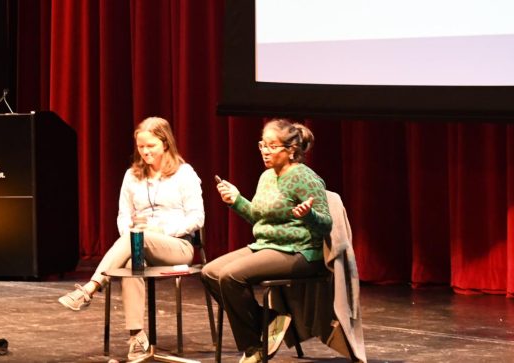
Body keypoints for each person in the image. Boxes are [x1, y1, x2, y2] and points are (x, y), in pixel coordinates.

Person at [58, 117, 204, 362]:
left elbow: (197, 218)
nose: (145, 152)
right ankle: (137, 337)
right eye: (141, 147)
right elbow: (123, 215)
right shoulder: (132, 176)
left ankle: (90, 289)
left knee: (136, 236)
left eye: (151, 146)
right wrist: (132, 232)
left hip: (177, 245)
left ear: (165, 143)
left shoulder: (184, 174)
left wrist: (161, 231)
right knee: (129, 259)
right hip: (138, 244)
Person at [202, 119, 332, 363]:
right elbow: (258, 217)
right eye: (263, 145)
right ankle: (269, 320)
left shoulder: (306, 178)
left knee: (231, 276)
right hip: (266, 246)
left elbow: (326, 224)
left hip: (301, 252)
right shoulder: (266, 177)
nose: (265, 151)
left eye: (272, 146)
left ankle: (254, 348)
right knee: (210, 273)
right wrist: (237, 200)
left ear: (291, 150)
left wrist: (309, 215)